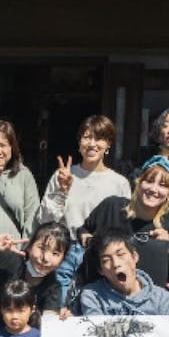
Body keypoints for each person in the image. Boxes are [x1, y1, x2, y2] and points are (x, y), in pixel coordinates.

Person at [36, 115, 132, 302]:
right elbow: (44, 220)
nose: (92, 144)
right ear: (79, 142)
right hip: (64, 250)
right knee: (60, 306)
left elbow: (124, 228)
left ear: (108, 144)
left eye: (99, 138)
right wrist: (62, 192)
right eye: (87, 137)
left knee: (95, 306)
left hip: (101, 254)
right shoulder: (63, 175)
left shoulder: (119, 183)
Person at [79, 155, 169, 286]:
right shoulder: (111, 206)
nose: (153, 189)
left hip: (141, 294)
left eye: (162, 185)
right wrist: (89, 241)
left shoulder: (167, 227)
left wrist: (164, 250)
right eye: (149, 181)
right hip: (96, 290)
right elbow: (83, 230)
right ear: (139, 182)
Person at [0, 221, 71, 329]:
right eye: (41, 248)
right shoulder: (11, 260)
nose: (45, 258)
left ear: (63, 259)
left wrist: (60, 319)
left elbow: (48, 323)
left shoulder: (53, 287)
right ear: (29, 246)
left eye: (55, 253)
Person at [74, 228, 169, 316]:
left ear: (134, 257)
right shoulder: (92, 296)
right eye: (106, 260)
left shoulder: (162, 299)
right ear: (100, 270)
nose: (115, 264)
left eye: (121, 254)